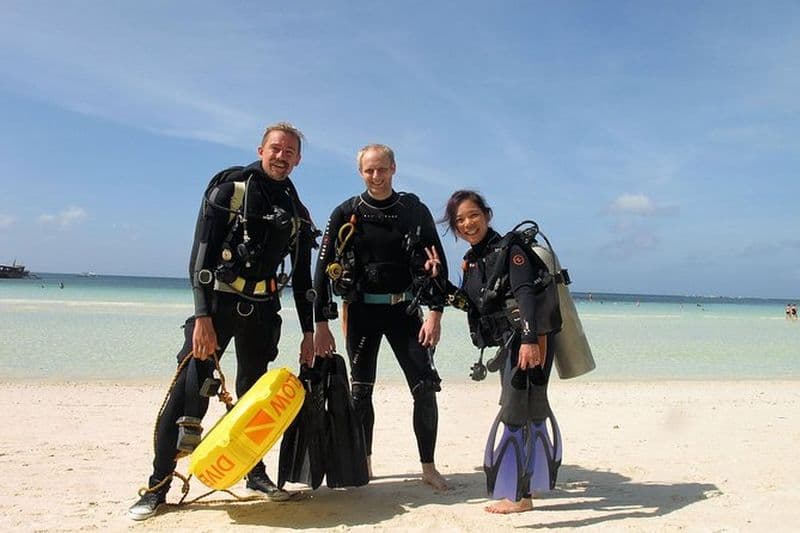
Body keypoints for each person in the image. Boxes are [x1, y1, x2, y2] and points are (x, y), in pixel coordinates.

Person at [128, 122, 316, 520]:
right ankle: (157, 486)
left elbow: (302, 279)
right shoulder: (231, 191)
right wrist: (202, 317)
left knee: (254, 403)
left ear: (298, 159)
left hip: (263, 311)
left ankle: (254, 473)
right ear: (261, 149)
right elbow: (199, 258)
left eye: (290, 152)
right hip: (218, 307)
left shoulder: (297, 212)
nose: (281, 157)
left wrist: (310, 332)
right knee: (186, 395)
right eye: (275, 149)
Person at [313, 144, 450, 491]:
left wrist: (435, 313)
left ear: (393, 168)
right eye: (369, 171)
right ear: (361, 172)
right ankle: (365, 464)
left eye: (382, 169)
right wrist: (321, 324)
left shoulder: (412, 210)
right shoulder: (345, 212)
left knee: (424, 388)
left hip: (405, 311)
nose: (376, 176)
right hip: (361, 311)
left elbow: (438, 262)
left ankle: (429, 467)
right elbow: (320, 270)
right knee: (361, 393)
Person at [440, 190, 563, 514]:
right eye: (460, 220)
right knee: (520, 410)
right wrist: (438, 280)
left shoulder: (510, 250)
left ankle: (522, 498)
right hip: (512, 343)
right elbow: (474, 304)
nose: (468, 223)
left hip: (528, 341)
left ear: (487, 215)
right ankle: (528, 487)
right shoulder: (475, 262)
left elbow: (525, 294)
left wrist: (528, 341)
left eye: (473, 215)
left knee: (517, 411)